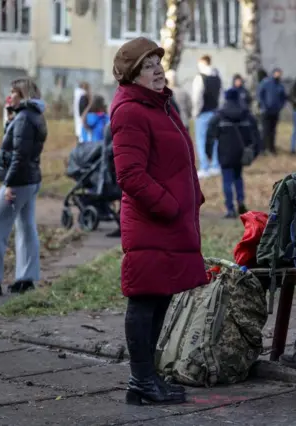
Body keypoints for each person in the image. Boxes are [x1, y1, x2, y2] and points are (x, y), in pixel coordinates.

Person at [109, 37, 208, 405]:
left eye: (157, 63)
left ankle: (147, 380)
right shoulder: (131, 111)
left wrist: (191, 199)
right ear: (132, 75)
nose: (157, 70)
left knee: (161, 296)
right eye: (147, 66)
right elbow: (129, 175)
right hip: (152, 220)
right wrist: (169, 206)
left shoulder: (161, 105)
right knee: (145, 299)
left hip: (172, 221)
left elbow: (177, 161)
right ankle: (141, 381)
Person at [0, 79, 47, 296]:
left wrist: (9, 184)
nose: (10, 95)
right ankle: (26, 279)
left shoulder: (24, 118)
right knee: (25, 227)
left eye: (15, 92)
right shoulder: (33, 115)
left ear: (24, 95)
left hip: (20, 181)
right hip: (31, 179)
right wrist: (10, 119)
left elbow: (20, 155)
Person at [206, 88, 261, 218]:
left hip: (225, 153)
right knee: (238, 177)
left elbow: (210, 136)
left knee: (227, 180)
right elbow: (256, 135)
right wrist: (255, 151)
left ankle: (230, 208)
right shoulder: (246, 115)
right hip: (241, 153)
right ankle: (241, 201)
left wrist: (208, 153)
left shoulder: (219, 116)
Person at [192, 54, 222, 179]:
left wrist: (196, 112)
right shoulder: (217, 78)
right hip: (215, 112)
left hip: (203, 113)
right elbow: (221, 95)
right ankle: (215, 165)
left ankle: (204, 167)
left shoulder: (200, 78)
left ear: (203, 63)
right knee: (214, 139)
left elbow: (197, 97)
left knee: (201, 140)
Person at [258, 67, 286, 155]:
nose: (278, 75)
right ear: (273, 73)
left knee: (273, 131)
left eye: (279, 73)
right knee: (265, 130)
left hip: (275, 112)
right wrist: (263, 105)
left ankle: (271, 148)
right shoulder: (266, 82)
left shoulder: (280, 85)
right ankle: (262, 149)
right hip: (266, 111)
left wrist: (280, 106)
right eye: (276, 73)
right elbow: (260, 94)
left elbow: (283, 98)